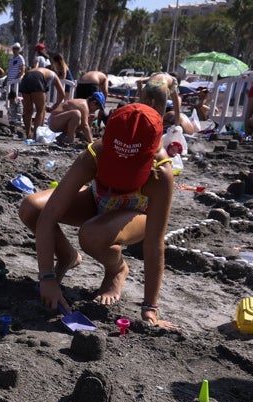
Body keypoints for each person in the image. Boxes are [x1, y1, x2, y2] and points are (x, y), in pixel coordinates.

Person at [19, 103, 177, 329]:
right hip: (98, 202)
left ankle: (117, 269)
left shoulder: (160, 173)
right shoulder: (94, 155)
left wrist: (150, 308)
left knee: (92, 234)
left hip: (134, 217)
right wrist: (47, 277)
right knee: (31, 207)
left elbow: (154, 244)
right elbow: (49, 215)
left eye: (130, 170)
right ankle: (67, 256)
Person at [18, 66, 67, 140]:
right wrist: (55, 105)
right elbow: (62, 93)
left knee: (28, 110)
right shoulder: (54, 75)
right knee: (40, 111)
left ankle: (28, 134)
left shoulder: (44, 72)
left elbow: (42, 95)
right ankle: (35, 136)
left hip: (26, 77)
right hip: (37, 77)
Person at [6, 42, 26, 121]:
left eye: (17, 49)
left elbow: (22, 69)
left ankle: (19, 113)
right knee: (10, 98)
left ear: (19, 50)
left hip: (16, 82)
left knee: (17, 97)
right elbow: (10, 70)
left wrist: (17, 78)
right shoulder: (11, 59)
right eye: (14, 48)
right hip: (10, 81)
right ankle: (11, 112)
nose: (15, 50)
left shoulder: (20, 58)